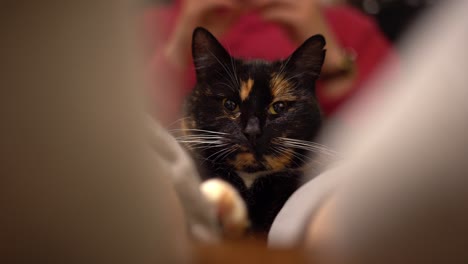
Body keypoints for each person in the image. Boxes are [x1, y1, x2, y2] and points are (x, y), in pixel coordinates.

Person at [144, 0, 395, 124]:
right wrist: (176, 54)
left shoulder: (352, 29)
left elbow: (405, 144)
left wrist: (332, 64)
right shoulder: (145, 29)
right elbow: (117, 143)